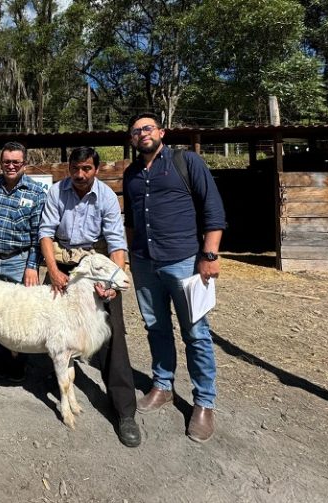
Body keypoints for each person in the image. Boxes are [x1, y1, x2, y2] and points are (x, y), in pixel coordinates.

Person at [123, 112, 226, 443]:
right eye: (137, 131)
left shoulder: (187, 161)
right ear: (132, 139)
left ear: (161, 132)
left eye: (147, 128)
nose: (142, 134)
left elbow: (212, 207)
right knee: (156, 327)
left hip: (184, 262)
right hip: (143, 263)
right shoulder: (131, 175)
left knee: (196, 332)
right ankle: (163, 385)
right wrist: (127, 255)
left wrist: (209, 255)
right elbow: (130, 221)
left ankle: (204, 403)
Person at [38, 146, 141, 448]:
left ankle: (124, 410)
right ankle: (56, 380)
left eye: (86, 169)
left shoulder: (107, 196)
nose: (80, 175)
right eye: (75, 169)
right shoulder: (57, 192)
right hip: (63, 261)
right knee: (50, 322)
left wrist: (112, 279)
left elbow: (116, 241)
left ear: (95, 169)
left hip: (95, 264)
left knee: (111, 331)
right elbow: (45, 233)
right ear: (68, 168)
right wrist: (53, 270)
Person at [0, 141, 46, 382]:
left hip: (19, 262)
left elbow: (40, 234)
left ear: (24, 164)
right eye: (7, 162)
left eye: (16, 162)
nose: (11, 166)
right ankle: (0, 360)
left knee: (20, 313)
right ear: (1, 163)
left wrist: (31, 266)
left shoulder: (36, 193)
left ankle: (20, 363)